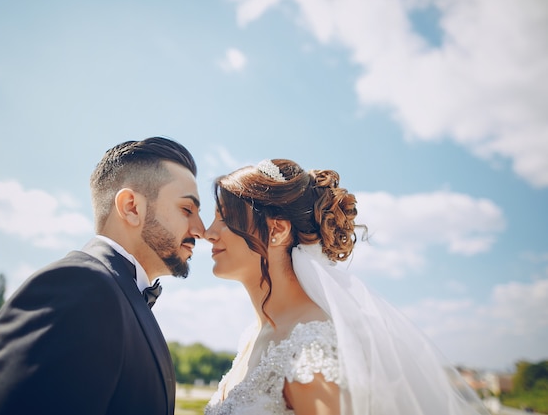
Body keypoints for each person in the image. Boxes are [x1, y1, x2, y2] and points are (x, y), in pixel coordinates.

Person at [203, 159, 490, 415]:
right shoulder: (255, 335)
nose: (208, 233)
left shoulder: (309, 351)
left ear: (277, 230)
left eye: (225, 219)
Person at [0, 137, 205, 415]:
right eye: (187, 209)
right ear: (131, 207)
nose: (200, 229)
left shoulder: (117, 294)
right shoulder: (79, 288)